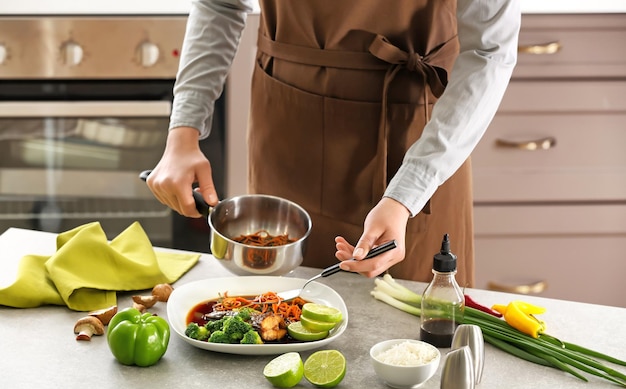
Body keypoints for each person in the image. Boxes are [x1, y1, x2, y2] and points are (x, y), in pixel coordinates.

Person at [146, 0, 521, 287]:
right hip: (288, 131)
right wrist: (184, 129)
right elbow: (221, 3)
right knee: (275, 325)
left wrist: (406, 195)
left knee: (413, 340)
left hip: (418, 142)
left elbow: (489, 51)